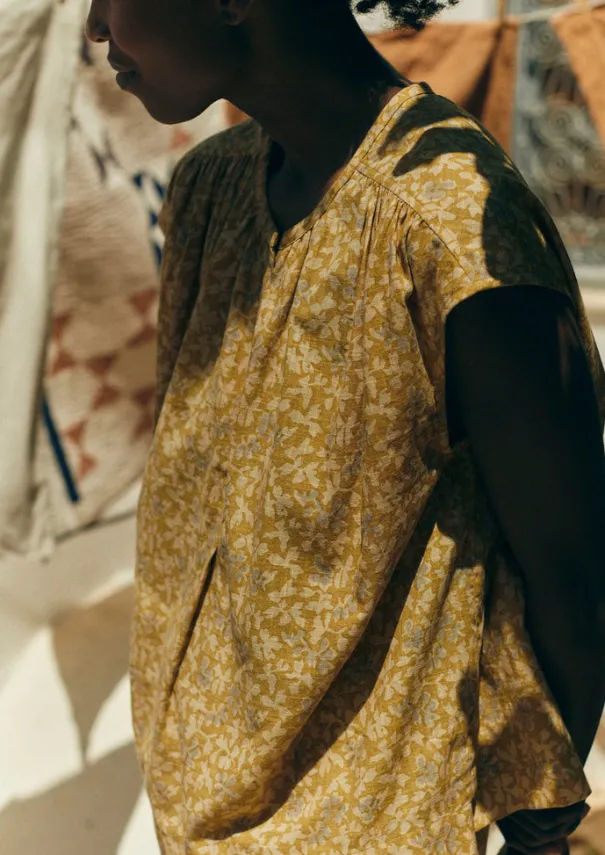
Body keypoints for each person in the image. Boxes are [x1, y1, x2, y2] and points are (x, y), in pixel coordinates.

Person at [85, 1, 605, 853]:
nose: (97, 26)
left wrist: (537, 825)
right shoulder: (212, 190)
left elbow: (571, 577)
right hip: (195, 807)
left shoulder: (451, 232)